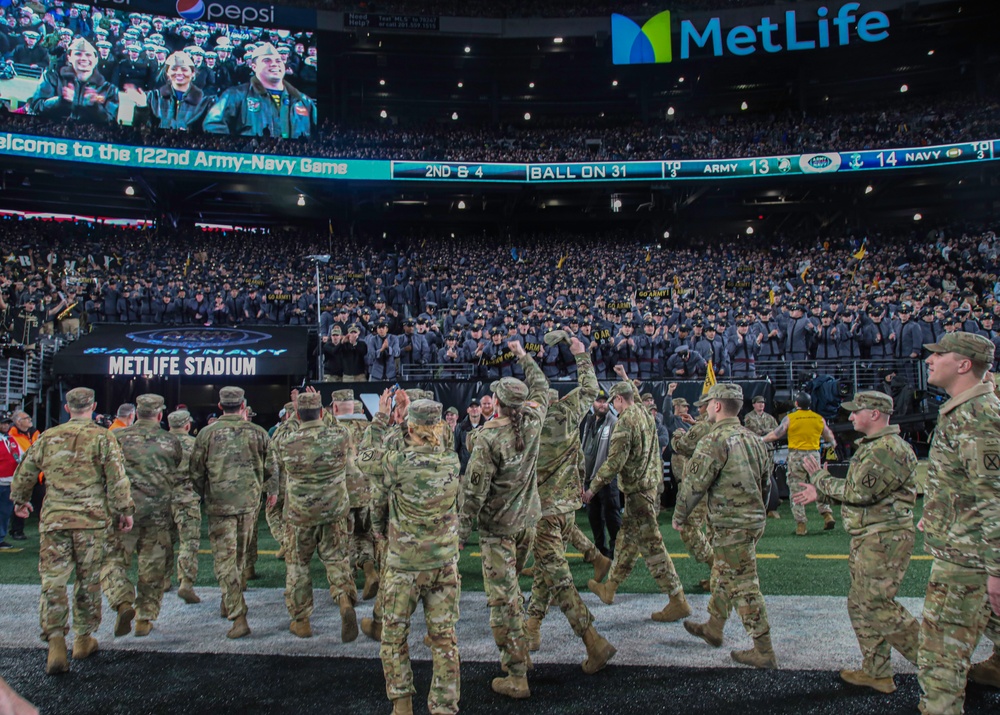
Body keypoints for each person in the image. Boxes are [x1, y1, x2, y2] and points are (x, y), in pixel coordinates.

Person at [793, 391, 919, 693]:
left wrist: (820, 482)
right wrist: (820, 490)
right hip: (870, 535)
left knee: (876, 604)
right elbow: (857, 490)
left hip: (883, 538)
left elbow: (860, 492)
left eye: (855, 411)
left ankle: (940, 667)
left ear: (874, 414)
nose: (850, 417)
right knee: (861, 604)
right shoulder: (875, 446)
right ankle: (877, 671)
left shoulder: (886, 449)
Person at [10, 388, 133, 675]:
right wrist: (124, 510)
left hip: (55, 520)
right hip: (91, 522)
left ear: (67, 407)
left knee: (53, 581)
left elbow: (26, 471)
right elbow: (117, 476)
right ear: (93, 406)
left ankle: (55, 642)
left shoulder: (49, 437)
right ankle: (82, 638)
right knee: (87, 581)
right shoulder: (104, 437)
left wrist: (20, 500)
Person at [359, 394, 462, 715]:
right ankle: (445, 706)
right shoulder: (451, 460)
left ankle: (402, 705)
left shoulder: (398, 462)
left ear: (411, 427)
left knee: (394, 637)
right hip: (444, 564)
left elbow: (363, 457)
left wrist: (382, 418)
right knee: (444, 640)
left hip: (405, 565)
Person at [460, 340, 548, 700]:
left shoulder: (487, 437)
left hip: (498, 528)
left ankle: (516, 674)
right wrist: (524, 357)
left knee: (503, 600)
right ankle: (522, 654)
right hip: (527, 521)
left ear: (496, 402)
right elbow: (541, 386)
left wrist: (461, 533)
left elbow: (474, 493)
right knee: (514, 594)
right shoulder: (535, 419)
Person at [918, 332, 1000, 714]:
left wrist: (997, 570)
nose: (930, 360)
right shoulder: (965, 409)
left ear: (964, 365)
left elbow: (995, 497)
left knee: (939, 659)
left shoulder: (978, 415)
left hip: (967, 558)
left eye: (940, 354)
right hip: (966, 546)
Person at [524, 334, 616, 672]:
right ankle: (532, 626)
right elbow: (590, 390)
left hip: (543, 512)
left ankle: (594, 641)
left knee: (560, 581)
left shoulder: (529, 426)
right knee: (546, 574)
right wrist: (581, 355)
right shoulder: (566, 414)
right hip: (564, 511)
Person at [674, 383, 777, 669]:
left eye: (708, 403)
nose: (705, 408)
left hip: (731, 525)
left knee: (744, 585)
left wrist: (679, 516)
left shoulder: (714, 440)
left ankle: (763, 650)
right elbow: (767, 484)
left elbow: (694, 485)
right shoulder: (754, 439)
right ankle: (714, 627)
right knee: (722, 571)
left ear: (717, 406)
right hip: (753, 521)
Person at [584, 380, 690, 625]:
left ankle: (678, 599)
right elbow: (639, 399)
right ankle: (610, 587)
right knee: (626, 541)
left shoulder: (624, 423)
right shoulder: (643, 412)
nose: (613, 408)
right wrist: (625, 376)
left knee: (653, 547)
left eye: (614, 403)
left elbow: (613, 463)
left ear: (619, 399)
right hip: (648, 489)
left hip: (638, 493)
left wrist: (592, 488)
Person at [274, 392, 356, 641]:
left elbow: (277, 440)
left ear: (297, 415)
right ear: (323, 412)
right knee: (337, 560)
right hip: (333, 512)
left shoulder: (287, 440)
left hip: (300, 516)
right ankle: (344, 601)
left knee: (298, 566)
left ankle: (301, 621)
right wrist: (322, 409)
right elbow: (335, 422)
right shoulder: (340, 436)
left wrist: (297, 412)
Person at [190, 386, 270, 639]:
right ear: (243, 406)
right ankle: (229, 600)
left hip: (220, 504)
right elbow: (272, 467)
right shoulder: (258, 433)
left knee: (226, 561)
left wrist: (205, 492)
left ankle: (238, 615)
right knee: (237, 557)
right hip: (248, 504)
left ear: (221, 406)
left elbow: (195, 472)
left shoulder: (206, 434)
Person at [101, 394, 182, 638]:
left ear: (136, 413)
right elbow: (176, 467)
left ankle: (123, 601)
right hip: (157, 512)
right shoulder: (171, 441)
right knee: (153, 566)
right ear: (160, 415)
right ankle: (145, 618)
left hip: (122, 512)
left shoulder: (116, 437)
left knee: (111, 561)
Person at [203, 43, 316, 138]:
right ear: (254, 67)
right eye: (267, 60)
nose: (274, 64)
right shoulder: (235, 95)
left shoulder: (303, 101)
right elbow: (213, 124)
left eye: (278, 60)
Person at [762, 392, 837, 535]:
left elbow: (777, 434)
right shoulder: (818, 418)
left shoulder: (790, 418)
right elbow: (828, 434)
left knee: (796, 489)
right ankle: (827, 515)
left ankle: (801, 524)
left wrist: (762, 440)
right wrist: (833, 444)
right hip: (814, 455)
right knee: (818, 485)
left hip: (796, 456)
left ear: (796, 404)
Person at [330, 388, 379, 601]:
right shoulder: (369, 427)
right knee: (364, 535)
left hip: (342, 494)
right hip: (368, 492)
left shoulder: (332, 430)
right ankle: (370, 571)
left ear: (334, 407)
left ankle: (347, 592)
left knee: (344, 542)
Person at [29, 38, 119, 123]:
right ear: (69, 57)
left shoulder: (109, 89)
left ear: (96, 59)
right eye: (78, 54)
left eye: (88, 54)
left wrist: (94, 107)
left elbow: (111, 122)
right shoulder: (51, 77)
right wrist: (61, 101)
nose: (83, 58)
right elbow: (37, 107)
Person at [579, 388, 621, 558]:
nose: (603, 404)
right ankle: (599, 550)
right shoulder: (588, 422)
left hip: (607, 480)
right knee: (594, 518)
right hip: (589, 478)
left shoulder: (613, 422)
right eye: (599, 401)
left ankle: (615, 551)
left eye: (605, 401)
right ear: (592, 403)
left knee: (612, 517)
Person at [166, 409, 201, 604]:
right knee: (189, 542)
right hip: (187, 498)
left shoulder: (160, 442)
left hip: (162, 500)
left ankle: (162, 580)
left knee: (162, 543)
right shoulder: (194, 444)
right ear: (187, 425)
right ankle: (186, 583)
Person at [131, 51, 213, 131]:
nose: (179, 73)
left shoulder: (205, 102)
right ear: (168, 73)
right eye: (174, 69)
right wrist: (141, 109)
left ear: (193, 73)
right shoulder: (153, 98)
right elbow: (140, 128)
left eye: (184, 69)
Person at [743, 395, 780, 518]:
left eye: (763, 403)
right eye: (758, 403)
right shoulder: (749, 417)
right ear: (753, 404)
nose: (761, 405)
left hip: (769, 450)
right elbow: (752, 430)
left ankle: (770, 502)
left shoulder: (770, 418)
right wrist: (767, 432)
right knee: (757, 475)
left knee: (769, 475)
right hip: (755, 449)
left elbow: (777, 431)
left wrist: (765, 432)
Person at [6, 411, 40, 542]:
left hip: (37, 474)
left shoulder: (35, 433)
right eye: (27, 418)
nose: (30, 420)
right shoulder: (11, 436)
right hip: (21, 473)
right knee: (20, 500)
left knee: (40, 501)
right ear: (18, 422)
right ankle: (16, 530)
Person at [0, 414, 22, 550]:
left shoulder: (11, 439)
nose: (5, 426)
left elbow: (21, 456)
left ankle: (0, 538)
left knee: (5, 512)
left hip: (9, 482)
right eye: (2, 424)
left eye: (7, 423)